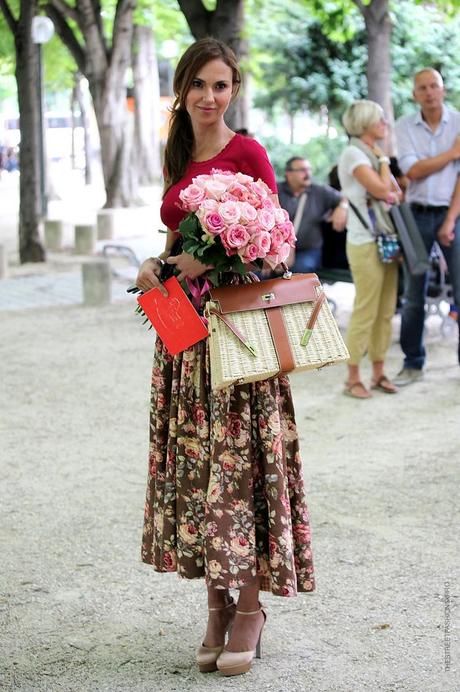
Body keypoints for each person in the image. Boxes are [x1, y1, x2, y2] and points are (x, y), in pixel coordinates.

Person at [135, 38, 315, 677]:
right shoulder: (179, 154)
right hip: (183, 335)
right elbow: (174, 236)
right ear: (181, 91)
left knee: (236, 470)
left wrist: (211, 259)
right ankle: (214, 606)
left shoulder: (250, 154)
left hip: (236, 338)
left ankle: (248, 609)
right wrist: (158, 264)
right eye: (200, 86)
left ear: (233, 90)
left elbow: (277, 250)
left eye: (222, 86)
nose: (211, 98)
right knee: (198, 469)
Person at [394, 68, 460, 384]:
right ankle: (413, 362)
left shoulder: (458, 121)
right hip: (417, 214)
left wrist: (449, 220)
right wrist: (453, 152)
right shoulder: (404, 126)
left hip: (454, 214)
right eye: (423, 87)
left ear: (443, 89)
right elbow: (413, 171)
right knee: (413, 294)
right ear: (415, 94)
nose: (430, 92)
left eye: (435, 85)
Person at [338, 100, 401, 399]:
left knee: (386, 310)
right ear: (365, 123)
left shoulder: (374, 155)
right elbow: (382, 191)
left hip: (386, 240)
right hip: (364, 242)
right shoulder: (354, 153)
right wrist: (385, 161)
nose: (385, 124)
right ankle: (353, 376)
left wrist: (384, 167)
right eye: (380, 120)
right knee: (366, 309)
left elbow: (395, 194)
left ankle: (378, 371)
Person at [277, 157, 348, 273]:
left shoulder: (320, 191)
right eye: (302, 170)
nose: (307, 173)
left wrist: (342, 207)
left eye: (309, 169)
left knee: (300, 270)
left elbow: (345, 198)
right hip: (278, 248)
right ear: (288, 173)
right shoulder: (276, 190)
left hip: (308, 250)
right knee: (258, 274)